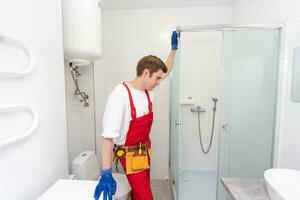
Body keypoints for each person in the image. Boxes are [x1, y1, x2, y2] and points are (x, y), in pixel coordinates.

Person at [94, 31, 178, 200]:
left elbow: (166, 70)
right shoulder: (121, 95)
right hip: (130, 156)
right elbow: (108, 137)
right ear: (146, 73)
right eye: (157, 78)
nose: (159, 82)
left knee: (140, 193)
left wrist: (173, 49)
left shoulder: (149, 90)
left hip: (144, 152)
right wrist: (106, 172)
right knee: (146, 197)